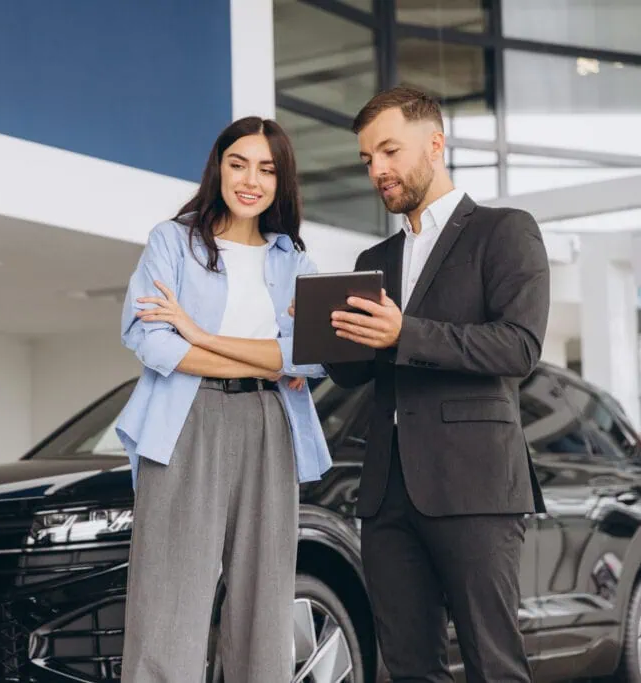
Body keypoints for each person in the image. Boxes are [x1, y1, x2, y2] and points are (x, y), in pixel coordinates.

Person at [315, 86, 549, 681]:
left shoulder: (504, 231)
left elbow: (519, 346)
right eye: (368, 159)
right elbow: (357, 370)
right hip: (386, 493)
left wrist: (405, 333)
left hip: (475, 485)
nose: (378, 170)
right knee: (409, 668)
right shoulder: (374, 259)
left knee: (493, 664)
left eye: (389, 151)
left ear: (436, 144)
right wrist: (320, 333)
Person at [114, 115, 332, 683]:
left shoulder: (295, 262)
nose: (251, 180)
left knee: (266, 599)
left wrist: (200, 334)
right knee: (169, 599)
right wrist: (269, 357)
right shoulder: (173, 241)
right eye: (239, 164)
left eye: (267, 169)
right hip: (186, 421)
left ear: (281, 181)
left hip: (270, 423)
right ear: (219, 168)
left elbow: (311, 357)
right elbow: (152, 341)